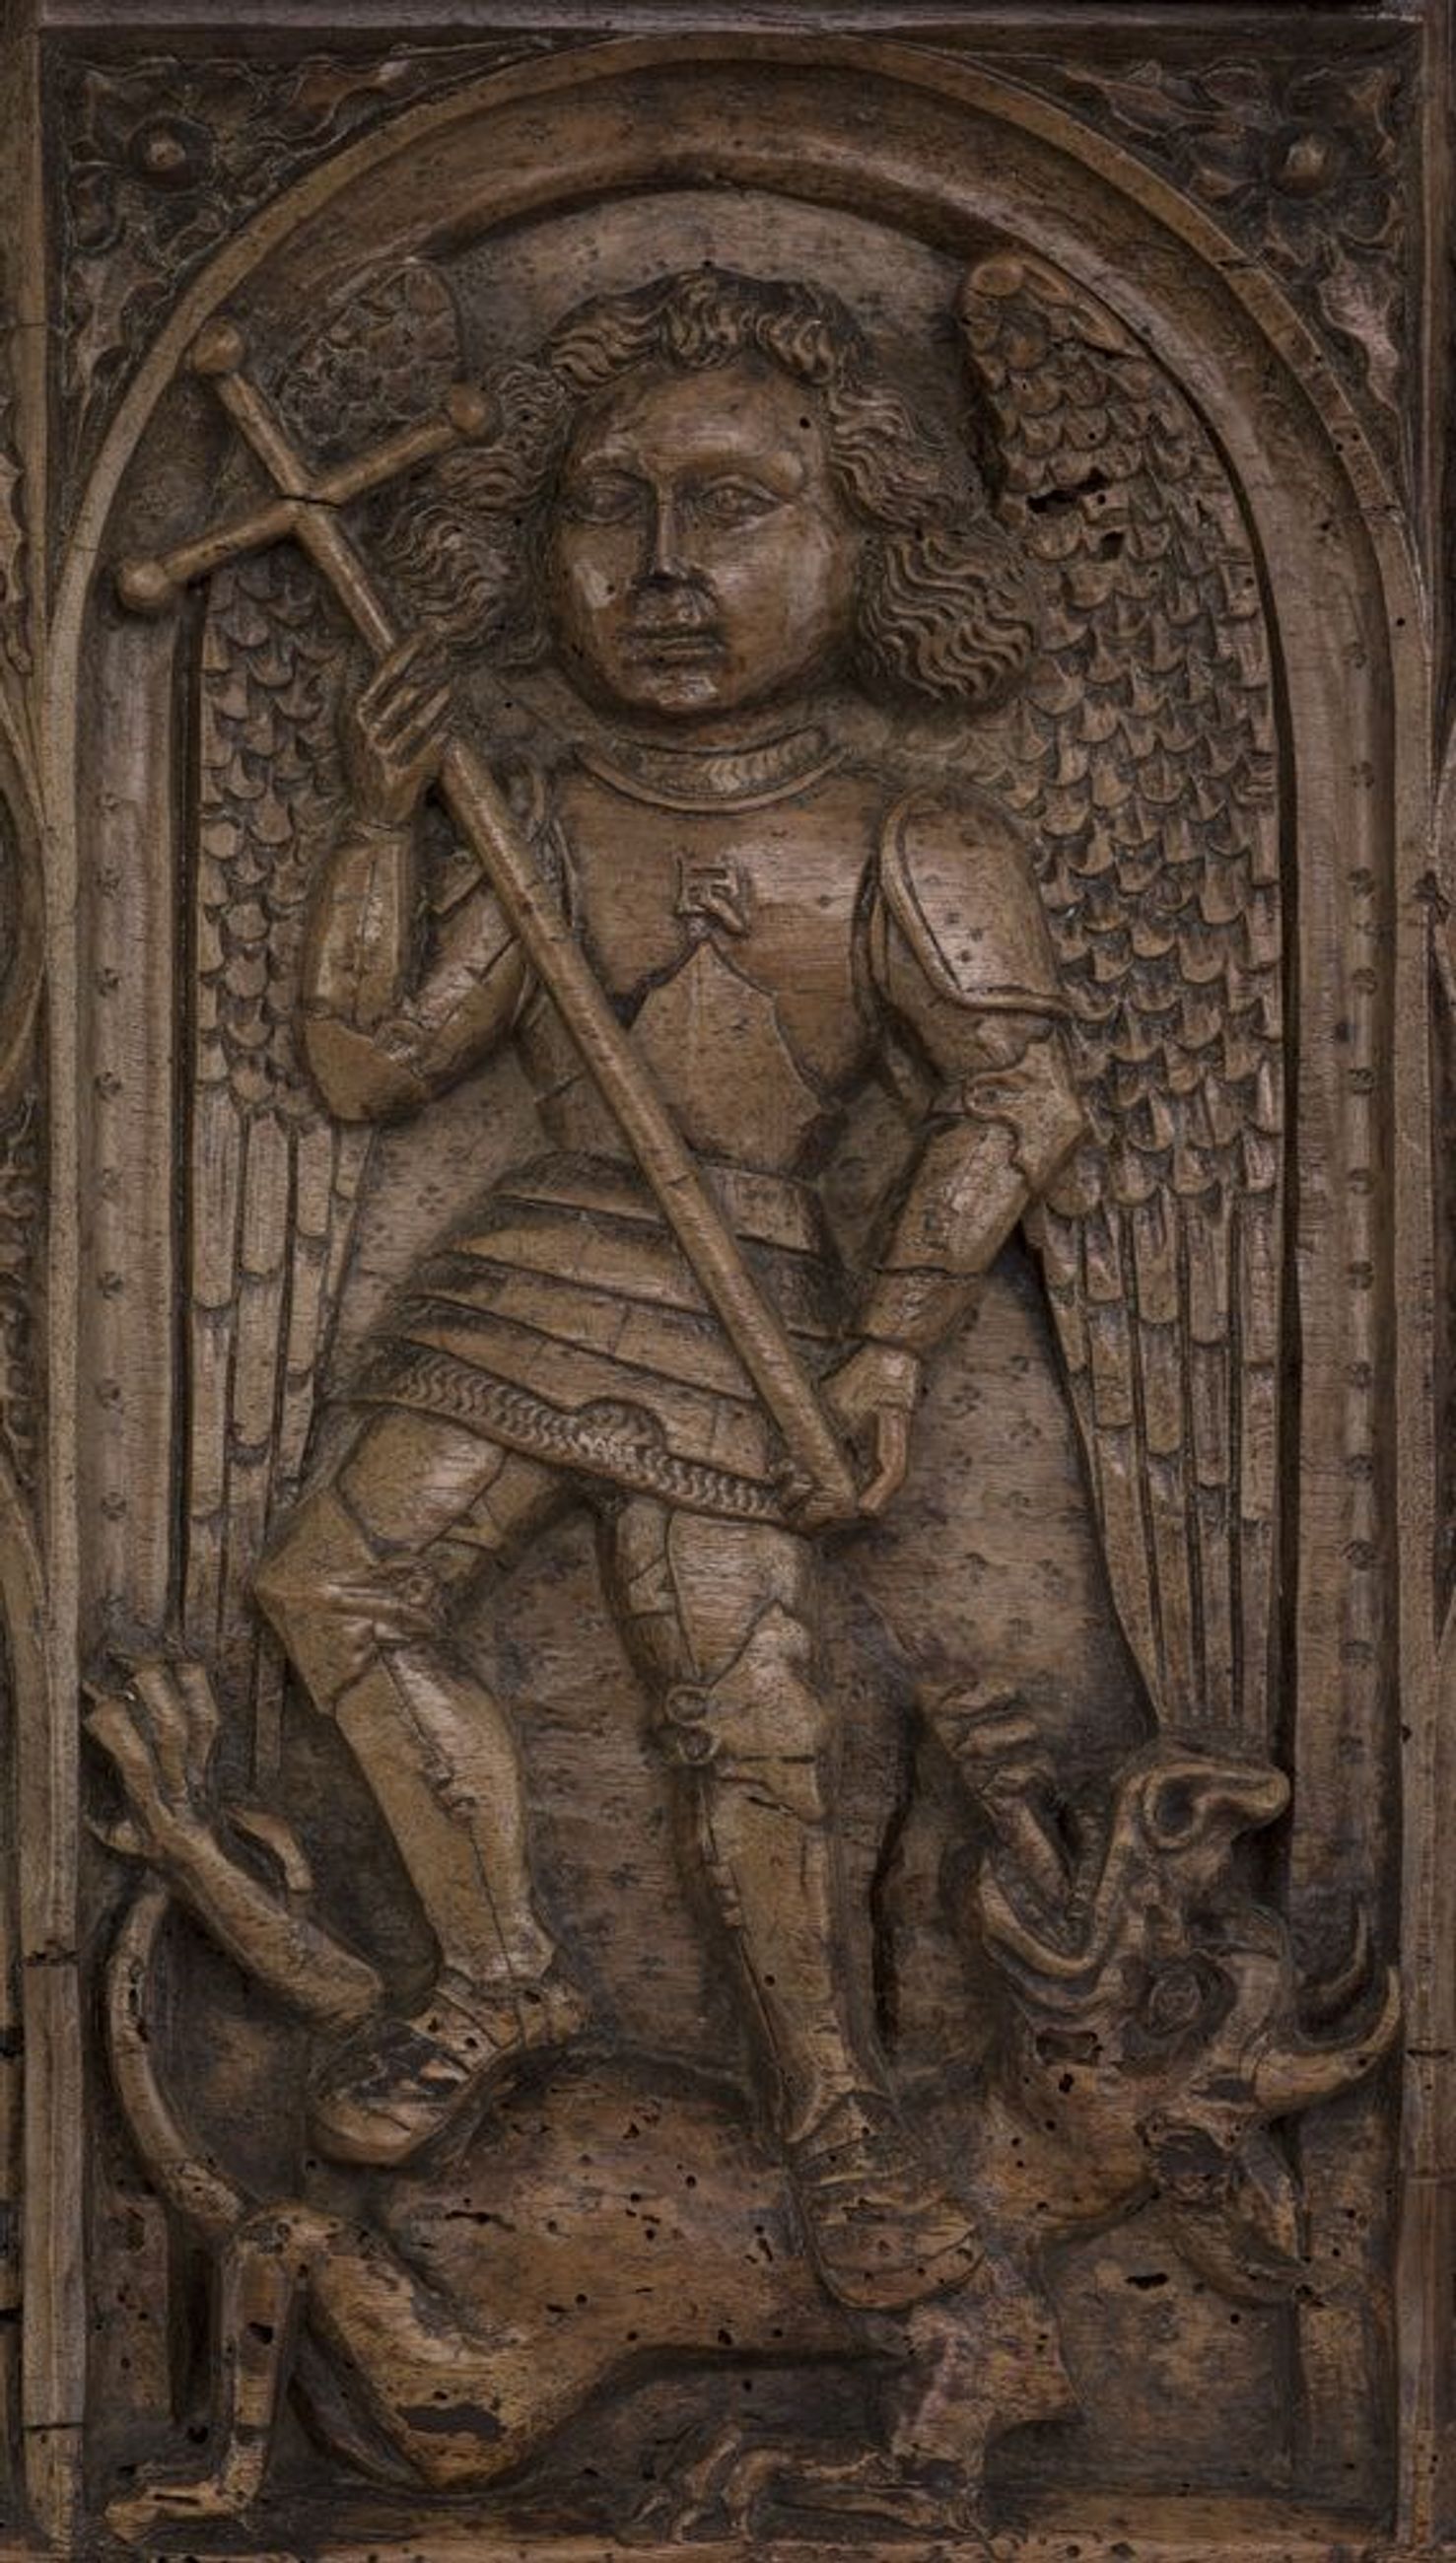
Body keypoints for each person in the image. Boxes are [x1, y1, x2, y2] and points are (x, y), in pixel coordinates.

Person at [255, 264, 1086, 2314]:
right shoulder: (535, 811)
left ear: (859, 540)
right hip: (540, 1261)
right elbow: (365, 1065)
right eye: (606, 508)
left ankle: (832, 2113)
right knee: (328, 1590)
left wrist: (890, 1350)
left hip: (746, 1289)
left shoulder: (905, 834)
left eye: (729, 507)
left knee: (743, 1703)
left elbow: (1016, 1092)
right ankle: (498, 1964)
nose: (659, 570)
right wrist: (371, 830)